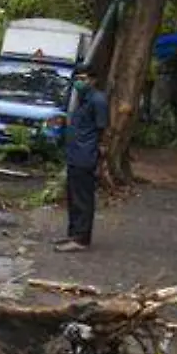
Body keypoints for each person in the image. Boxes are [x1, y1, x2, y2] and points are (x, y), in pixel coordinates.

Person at [55, 65, 109, 253]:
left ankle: (81, 238)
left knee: (83, 198)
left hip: (86, 155)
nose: (79, 82)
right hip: (75, 154)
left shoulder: (98, 100)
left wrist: (100, 156)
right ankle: (74, 233)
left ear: (93, 80)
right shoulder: (82, 99)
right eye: (77, 78)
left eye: (84, 78)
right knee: (73, 196)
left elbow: (102, 131)